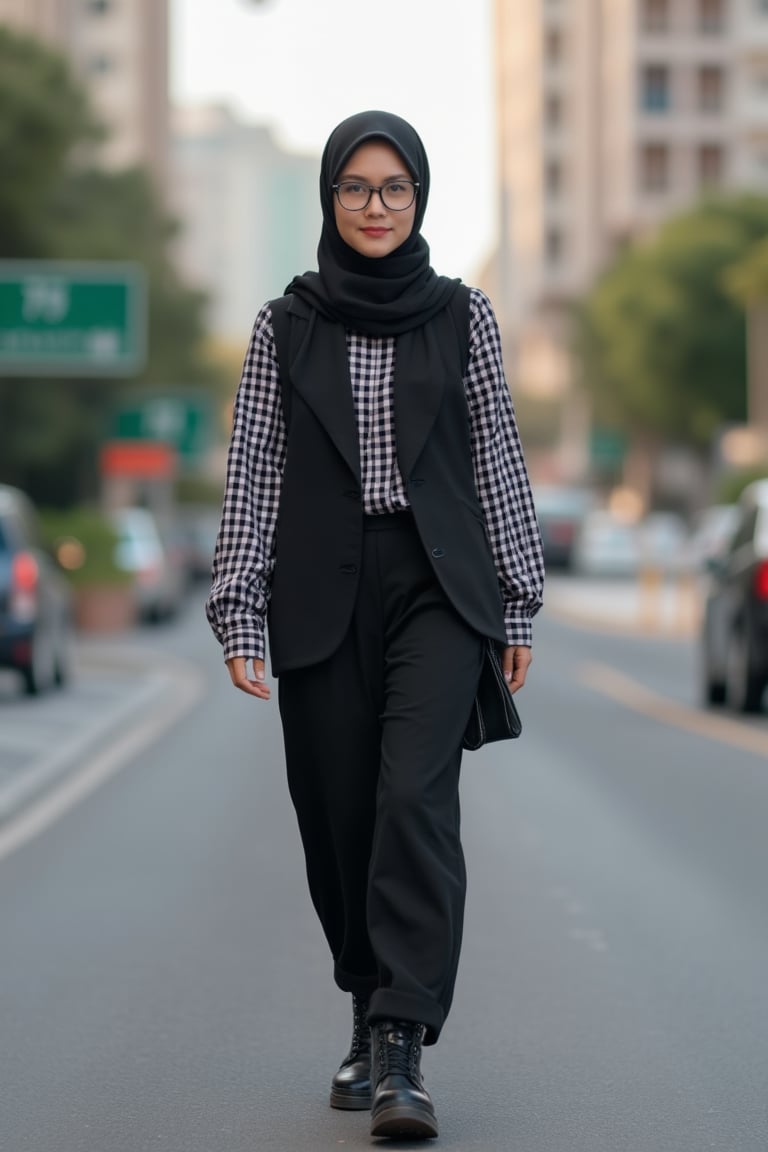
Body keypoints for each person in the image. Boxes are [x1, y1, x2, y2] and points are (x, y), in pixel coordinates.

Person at [206, 109, 544, 1142]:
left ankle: (401, 1044)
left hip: (437, 585)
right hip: (318, 589)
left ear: (421, 198)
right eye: (356, 187)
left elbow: (495, 457)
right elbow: (257, 465)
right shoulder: (285, 323)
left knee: (412, 801)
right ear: (329, 198)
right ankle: (365, 998)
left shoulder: (464, 317)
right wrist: (237, 608)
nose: (376, 206)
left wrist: (517, 595)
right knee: (340, 812)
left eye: (395, 187)